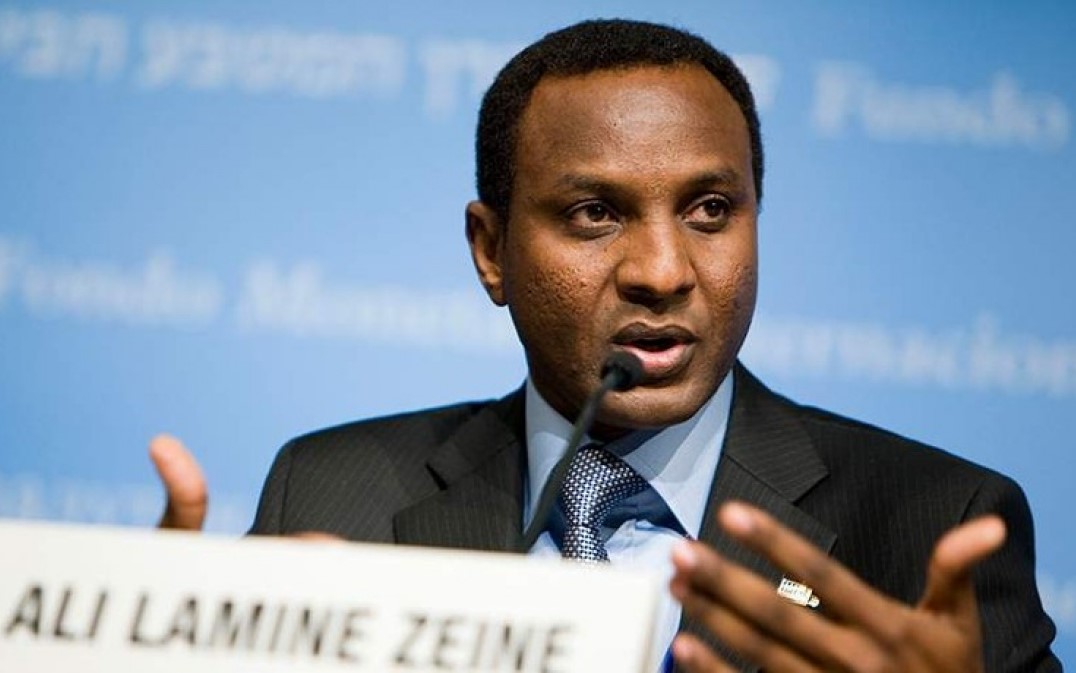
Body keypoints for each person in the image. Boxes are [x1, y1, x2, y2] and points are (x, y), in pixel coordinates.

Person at [149, 19, 1060, 673]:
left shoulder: (930, 526)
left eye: (711, 209)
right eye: (594, 213)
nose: (663, 271)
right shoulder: (330, 493)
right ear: (490, 250)